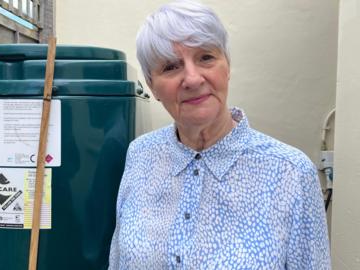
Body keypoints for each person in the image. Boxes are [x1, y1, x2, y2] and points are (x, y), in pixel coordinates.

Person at [108, 0, 331, 269]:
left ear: (227, 67)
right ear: (152, 86)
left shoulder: (291, 173)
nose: (192, 79)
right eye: (170, 66)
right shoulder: (141, 156)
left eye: (206, 57)